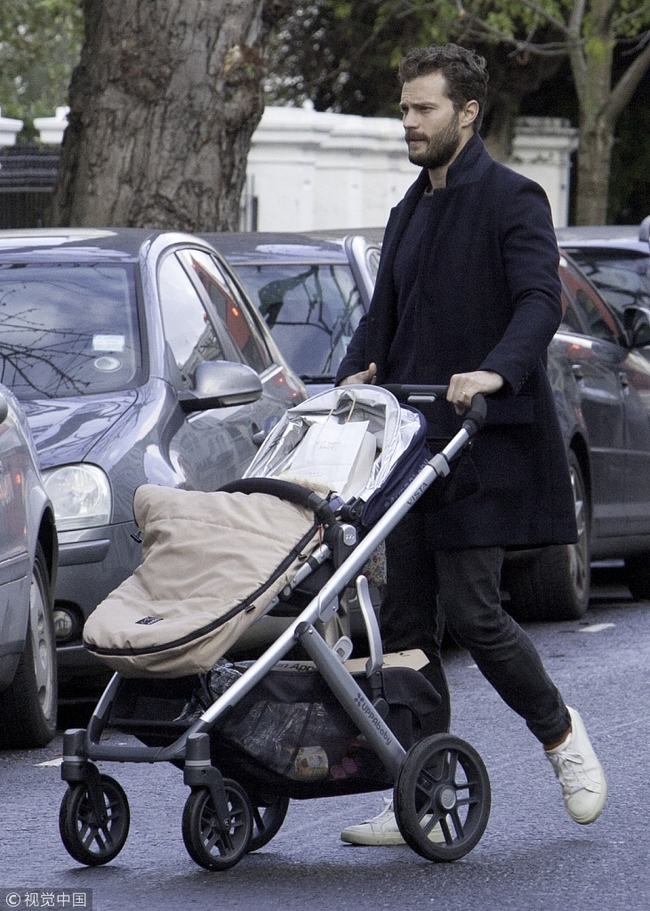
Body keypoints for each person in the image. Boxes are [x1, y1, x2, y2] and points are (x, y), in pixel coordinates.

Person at [336, 44, 607, 846]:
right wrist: (353, 372)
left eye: (422, 110)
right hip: (413, 447)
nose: (408, 124)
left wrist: (494, 372)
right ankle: (419, 788)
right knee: (405, 621)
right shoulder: (408, 211)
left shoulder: (514, 200)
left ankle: (561, 736)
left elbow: (537, 302)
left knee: (474, 609)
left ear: (467, 113)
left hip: (483, 443)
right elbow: (379, 319)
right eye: (404, 110)